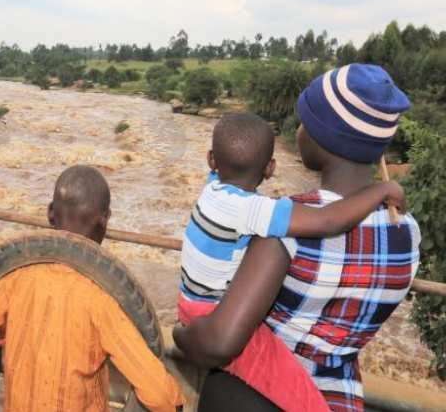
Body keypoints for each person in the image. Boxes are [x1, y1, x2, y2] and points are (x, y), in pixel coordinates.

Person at [174, 64, 421, 412]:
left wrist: (181, 335)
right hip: (341, 396)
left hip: (256, 394)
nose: (299, 130)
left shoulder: (286, 229)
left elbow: (219, 341)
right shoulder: (407, 234)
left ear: (323, 137)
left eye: (305, 121)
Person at [0, 165, 184, 412]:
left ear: (50, 213)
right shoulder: (102, 299)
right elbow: (158, 393)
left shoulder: (15, 280)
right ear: (104, 221)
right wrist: (176, 401)